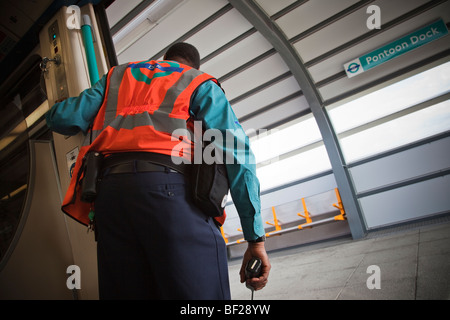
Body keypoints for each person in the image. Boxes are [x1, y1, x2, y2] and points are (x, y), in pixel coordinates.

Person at [46, 42, 270, 300]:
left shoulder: (117, 77)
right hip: (172, 195)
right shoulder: (198, 81)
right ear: (193, 65)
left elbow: (61, 118)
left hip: (109, 198)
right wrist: (256, 240)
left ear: (165, 59)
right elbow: (237, 156)